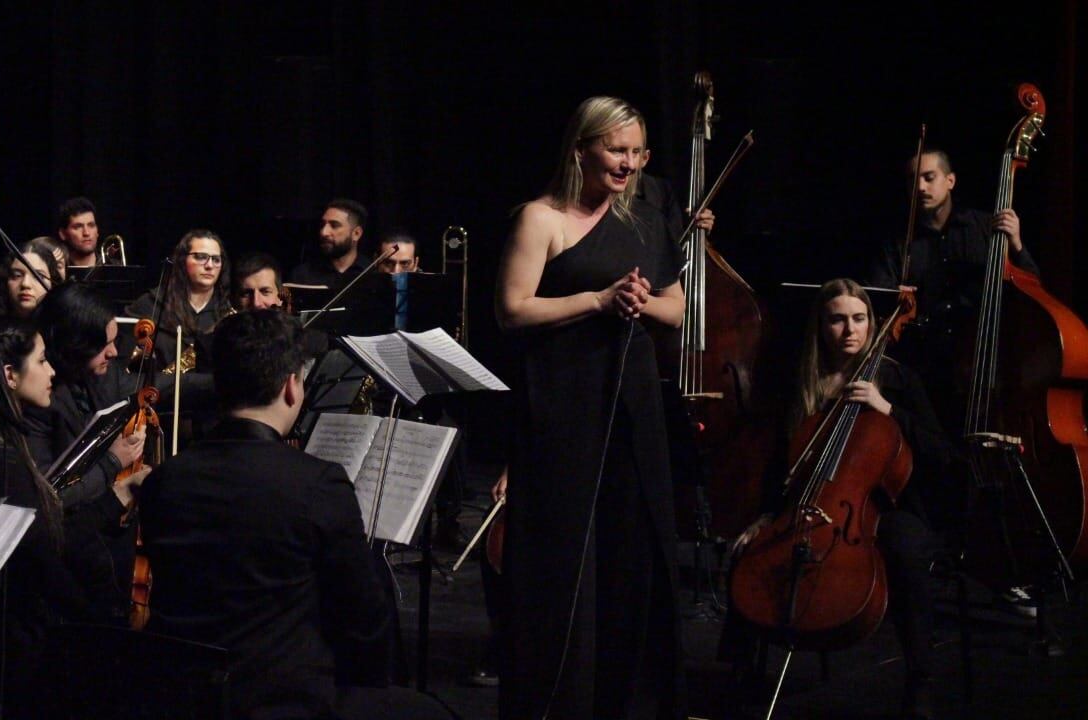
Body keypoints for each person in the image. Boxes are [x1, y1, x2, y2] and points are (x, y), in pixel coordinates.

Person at [139, 309, 449, 720]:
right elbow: (363, 619)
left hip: (183, 697)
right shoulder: (317, 483)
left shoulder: (166, 479)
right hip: (283, 700)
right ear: (291, 387)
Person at [495, 96, 686, 720]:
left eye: (636, 152)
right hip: (560, 409)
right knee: (562, 561)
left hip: (631, 410)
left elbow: (676, 310)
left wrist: (637, 299)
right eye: (616, 150)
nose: (628, 163)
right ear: (582, 149)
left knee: (632, 557)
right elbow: (514, 310)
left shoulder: (645, 221)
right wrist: (598, 300)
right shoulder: (539, 218)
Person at [729, 279, 955, 719]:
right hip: (816, 504)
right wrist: (765, 518)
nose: (849, 329)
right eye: (837, 319)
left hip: (888, 507)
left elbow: (943, 455)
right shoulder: (806, 382)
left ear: (872, 323)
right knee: (748, 552)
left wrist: (888, 409)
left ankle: (919, 679)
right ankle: (742, 672)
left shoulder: (895, 377)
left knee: (907, 550)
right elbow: (782, 464)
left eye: (859, 318)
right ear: (821, 325)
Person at [867, 147, 1039, 617]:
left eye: (928, 178)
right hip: (923, 373)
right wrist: (895, 303)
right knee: (930, 464)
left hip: (986, 370)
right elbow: (879, 305)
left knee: (990, 469)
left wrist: (1018, 245)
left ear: (950, 181)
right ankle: (932, 561)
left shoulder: (986, 229)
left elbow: (1031, 289)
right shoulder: (898, 242)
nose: (920, 188)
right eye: (912, 180)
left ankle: (1002, 567)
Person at [0, 314, 96, 715]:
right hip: (13, 652)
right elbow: (42, 560)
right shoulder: (0, 458)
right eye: (43, 361)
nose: (53, 370)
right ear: (10, 374)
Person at [32, 283, 151, 624]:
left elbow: (160, 390)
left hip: (108, 549)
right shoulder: (39, 400)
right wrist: (114, 462)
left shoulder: (103, 375)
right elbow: (47, 496)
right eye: (104, 344)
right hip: (64, 568)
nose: (114, 352)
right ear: (74, 346)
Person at [123, 229, 233, 371]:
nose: (209, 265)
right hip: (157, 391)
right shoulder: (151, 304)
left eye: (216, 259)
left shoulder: (227, 313)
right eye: (200, 257)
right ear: (182, 260)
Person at [289, 198, 371, 291]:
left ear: (356, 234)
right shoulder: (302, 275)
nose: (324, 232)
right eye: (322, 225)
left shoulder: (371, 273)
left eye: (334, 225)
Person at [0, 240, 62, 319]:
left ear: (52, 283)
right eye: (17, 275)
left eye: (38, 276)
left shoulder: (62, 328)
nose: (25, 284)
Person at [55, 196, 100, 268]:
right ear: (63, 234)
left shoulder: (117, 267)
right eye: (78, 227)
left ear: (97, 231)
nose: (86, 233)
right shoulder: (55, 271)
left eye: (91, 225)